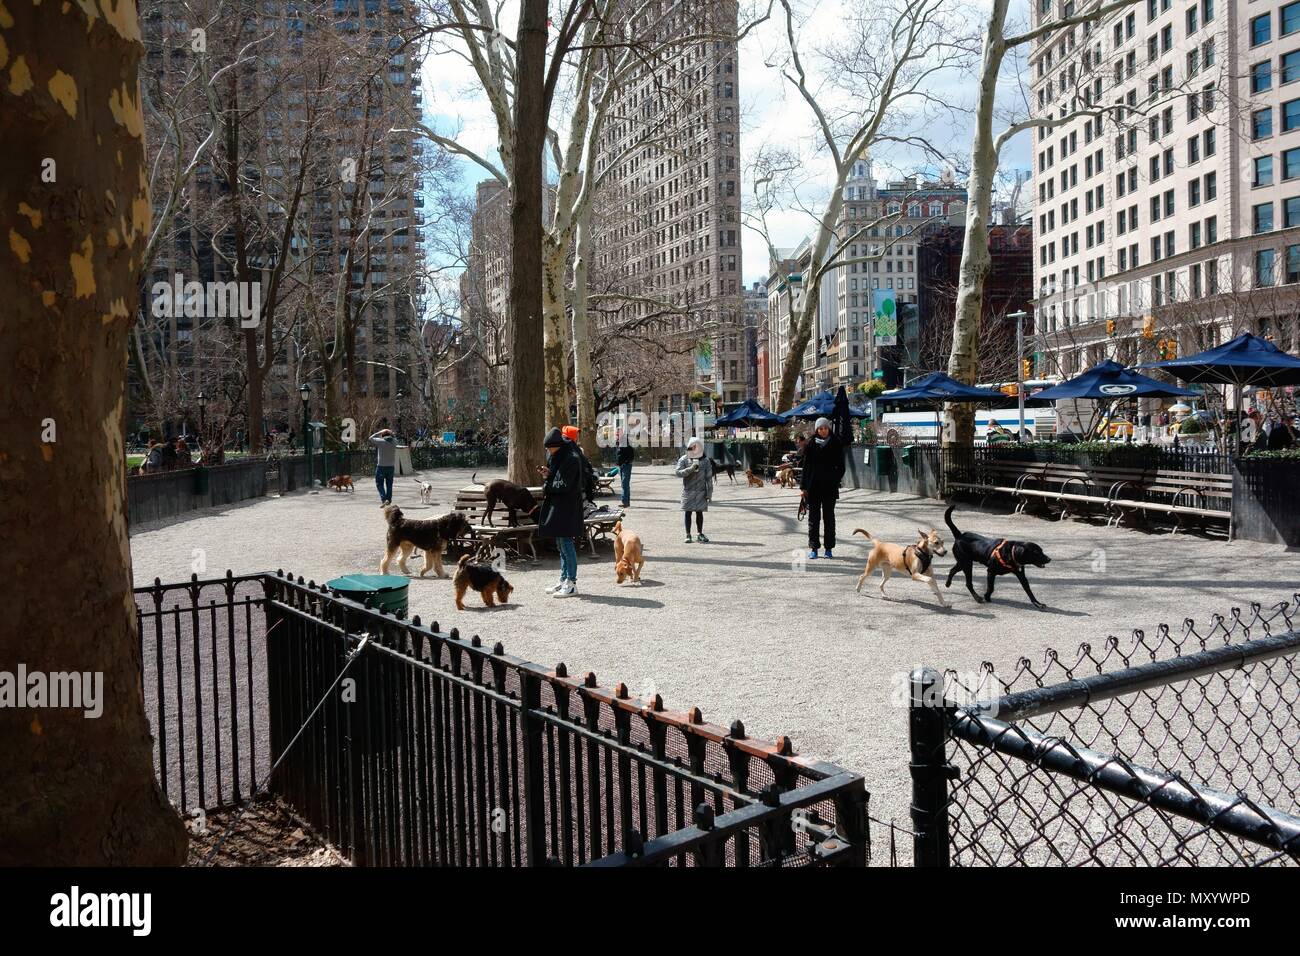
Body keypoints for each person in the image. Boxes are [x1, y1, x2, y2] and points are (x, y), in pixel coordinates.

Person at [539, 427, 585, 598]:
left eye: (548, 447)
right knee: (560, 543)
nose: (547, 451)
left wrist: (547, 484)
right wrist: (549, 474)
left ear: (556, 445)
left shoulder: (571, 459)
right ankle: (564, 578)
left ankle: (572, 583)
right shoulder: (558, 456)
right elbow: (558, 478)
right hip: (559, 504)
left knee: (566, 543)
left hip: (567, 506)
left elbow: (564, 484)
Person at [800, 417, 845, 559]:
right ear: (817, 430)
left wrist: (834, 479)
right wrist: (803, 487)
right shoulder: (811, 444)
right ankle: (814, 547)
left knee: (829, 519)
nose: (823, 431)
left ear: (828, 428)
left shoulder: (836, 443)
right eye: (820, 428)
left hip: (829, 488)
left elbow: (841, 466)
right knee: (813, 519)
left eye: (825, 428)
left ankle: (829, 548)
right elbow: (806, 467)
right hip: (813, 488)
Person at [675, 436, 714, 543]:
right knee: (687, 513)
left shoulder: (705, 461)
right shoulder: (683, 459)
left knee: (699, 513)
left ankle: (699, 533)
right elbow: (678, 472)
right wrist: (690, 469)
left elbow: (709, 478)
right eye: (693, 447)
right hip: (688, 491)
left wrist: (709, 493)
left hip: (701, 491)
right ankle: (688, 534)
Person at [370, 428, 398, 505]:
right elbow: (395, 437)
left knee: (379, 483)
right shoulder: (394, 442)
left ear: (382, 435)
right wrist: (390, 432)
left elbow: (370, 438)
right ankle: (388, 499)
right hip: (391, 466)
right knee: (389, 484)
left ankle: (384, 499)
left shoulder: (380, 441)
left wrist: (379, 431)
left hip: (381, 466)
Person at [617, 430, 635, 508]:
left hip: (626, 466)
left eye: (618, 434)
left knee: (625, 484)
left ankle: (625, 502)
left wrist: (626, 462)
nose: (616, 435)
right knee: (623, 484)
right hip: (622, 466)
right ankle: (625, 501)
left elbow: (631, 454)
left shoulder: (626, 443)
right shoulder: (619, 442)